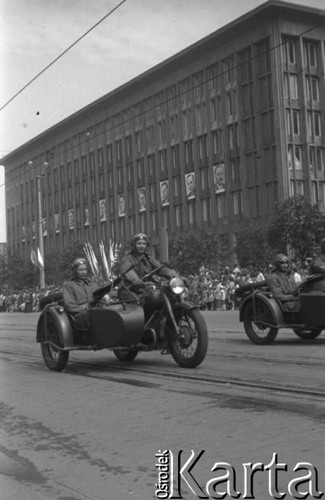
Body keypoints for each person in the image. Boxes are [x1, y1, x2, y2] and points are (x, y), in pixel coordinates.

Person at [118, 233, 178, 304]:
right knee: (138, 304)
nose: (141, 246)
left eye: (143, 244)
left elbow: (160, 269)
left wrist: (175, 276)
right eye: (139, 243)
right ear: (134, 245)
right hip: (129, 290)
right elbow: (127, 271)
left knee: (168, 297)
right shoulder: (127, 259)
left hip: (144, 289)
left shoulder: (148, 258)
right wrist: (136, 280)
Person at [62, 258, 100, 331]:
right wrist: (84, 307)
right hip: (80, 315)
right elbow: (69, 305)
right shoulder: (69, 285)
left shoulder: (93, 284)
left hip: (96, 310)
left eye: (85, 269)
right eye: (81, 270)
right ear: (75, 271)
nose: (83, 272)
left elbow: (100, 296)